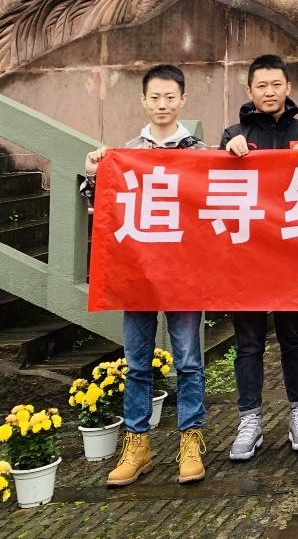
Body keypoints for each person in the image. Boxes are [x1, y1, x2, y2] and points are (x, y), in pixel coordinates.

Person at [80, 65, 208, 486]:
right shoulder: (126, 153)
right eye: (155, 97)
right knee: (136, 362)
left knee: (188, 361)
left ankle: (191, 438)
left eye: (170, 97)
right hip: (138, 274)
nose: (162, 105)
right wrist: (94, 171)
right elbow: (100, 206)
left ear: (183, 100)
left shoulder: (200, 152)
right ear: (143, 100)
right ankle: (137, 443)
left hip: (184, 275)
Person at [221, 54, 298, 461]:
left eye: (276, 84)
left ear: (288, 87)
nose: (270, 92)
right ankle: (250, 420)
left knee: (295, 340)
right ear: (250, 91)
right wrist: (226, 152)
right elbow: (209, 184)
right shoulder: (234, 134)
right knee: (248, 344)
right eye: (261, 86)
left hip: (293, 259)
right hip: (247, 261)